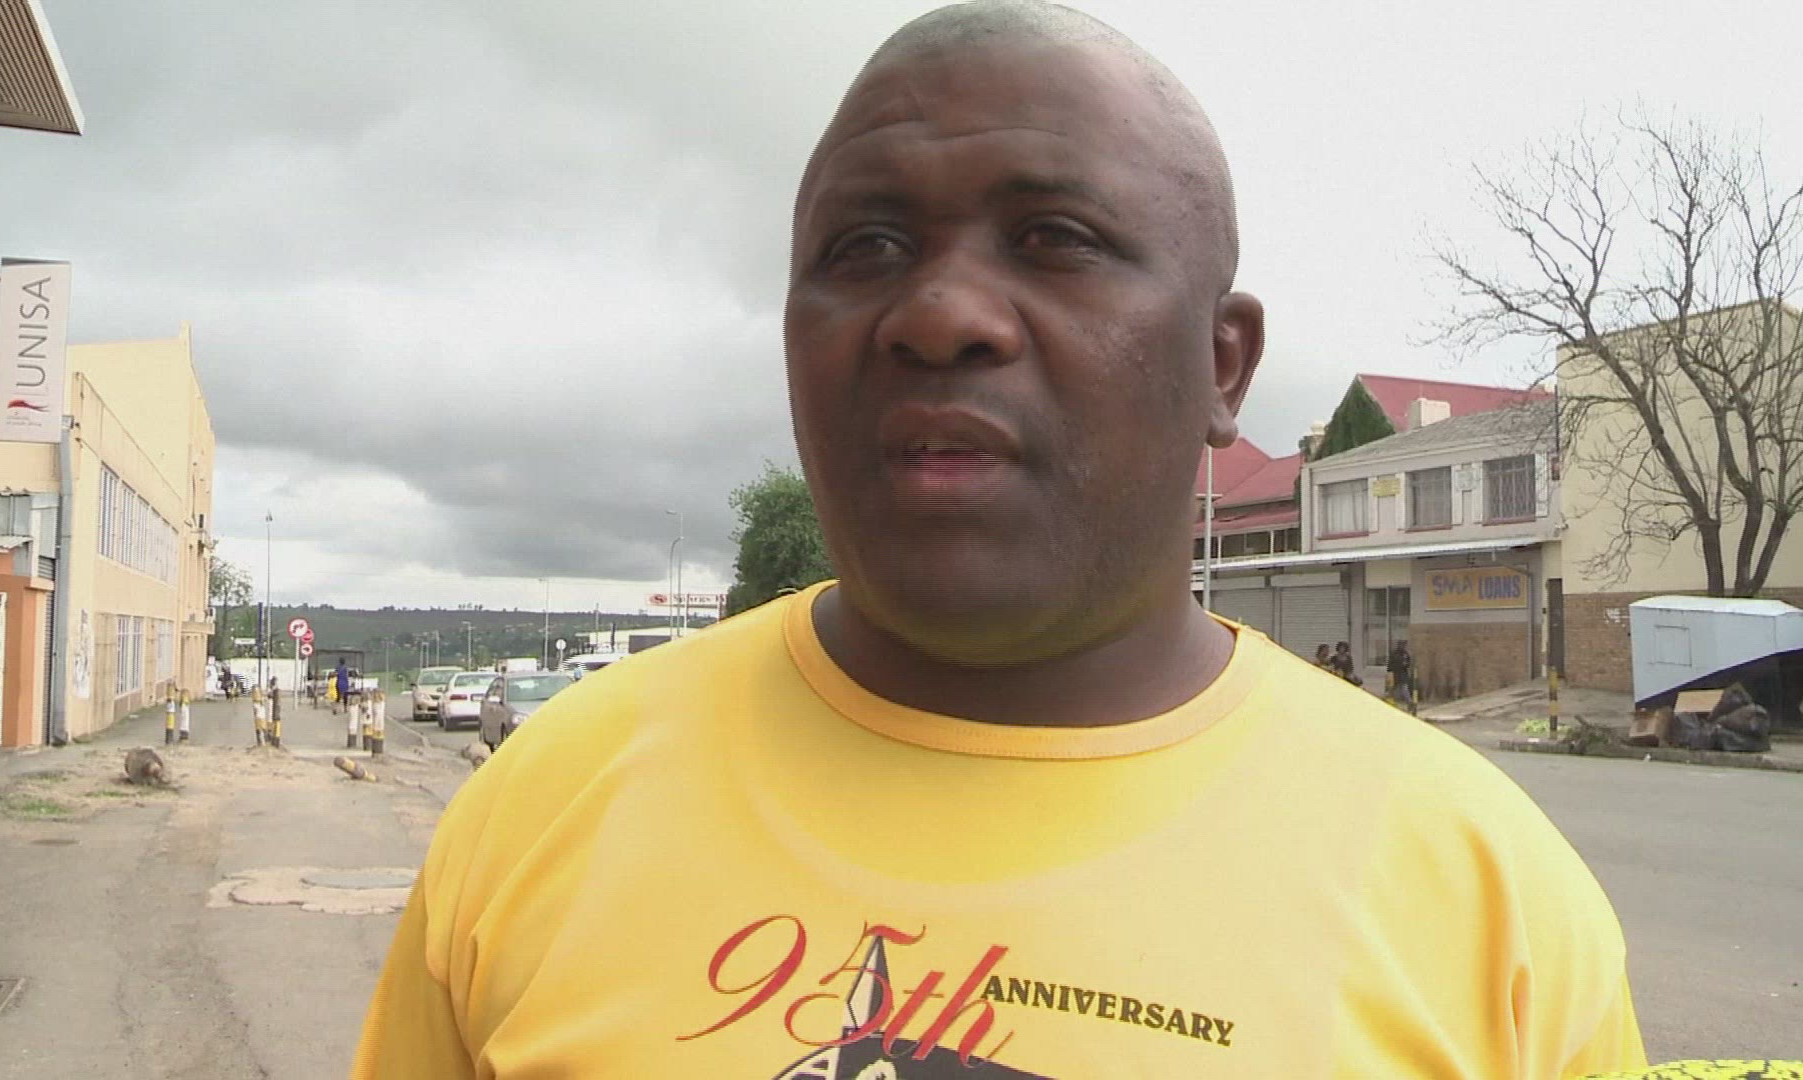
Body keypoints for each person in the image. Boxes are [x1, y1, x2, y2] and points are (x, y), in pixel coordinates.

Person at [353, 4, 1645, 1075]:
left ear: (1221, 363)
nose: (941, 315)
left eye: (1055, 241)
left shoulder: (1493, 911)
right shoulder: (541, 809)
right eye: (866, 245)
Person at [1388, 640, 1417, 714]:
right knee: (1394, 690)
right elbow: (1390, 664)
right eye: (1402, 645)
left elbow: (1408, 664)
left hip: (1402, 674)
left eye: (1404, 645)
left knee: (1403, 689)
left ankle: (1410, 703)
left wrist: (1405, 665)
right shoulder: (1395, 654)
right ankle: (1390, 703)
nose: (1403, 647)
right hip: (1395, 674)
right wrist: (1390, 672)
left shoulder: (1405, 654)